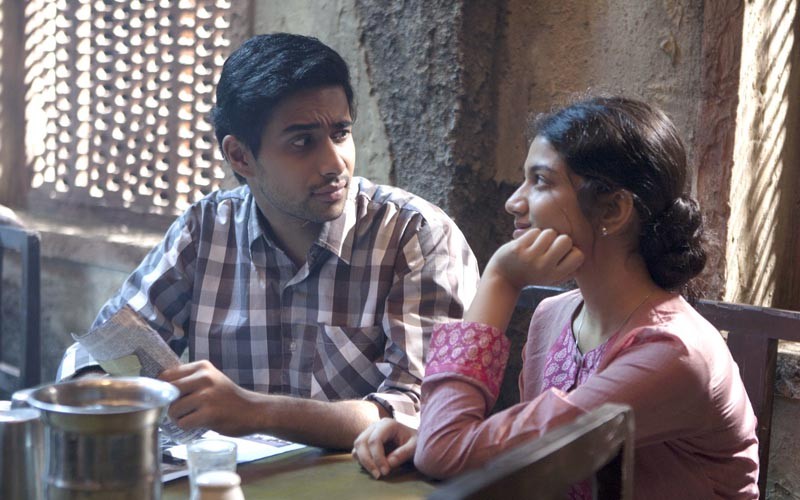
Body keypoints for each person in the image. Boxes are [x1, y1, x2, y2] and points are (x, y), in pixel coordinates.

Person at [57, 33, 479, 449]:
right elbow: (104, 348)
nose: (335, 163)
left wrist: (256, 411)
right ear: (240, 156)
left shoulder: (415, 235)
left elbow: (421, 411)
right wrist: (99, 387)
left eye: (340, 133)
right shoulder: (205, 230)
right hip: (230, 480)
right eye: (302, 142)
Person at [352, 96, 759, 498]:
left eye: (541, 181)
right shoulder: (553, 316)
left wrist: (500, 281)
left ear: (613, 210)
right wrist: (426, 436)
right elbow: (520, 450)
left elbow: (447, 451)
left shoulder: (671, 353)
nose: (514, 202)